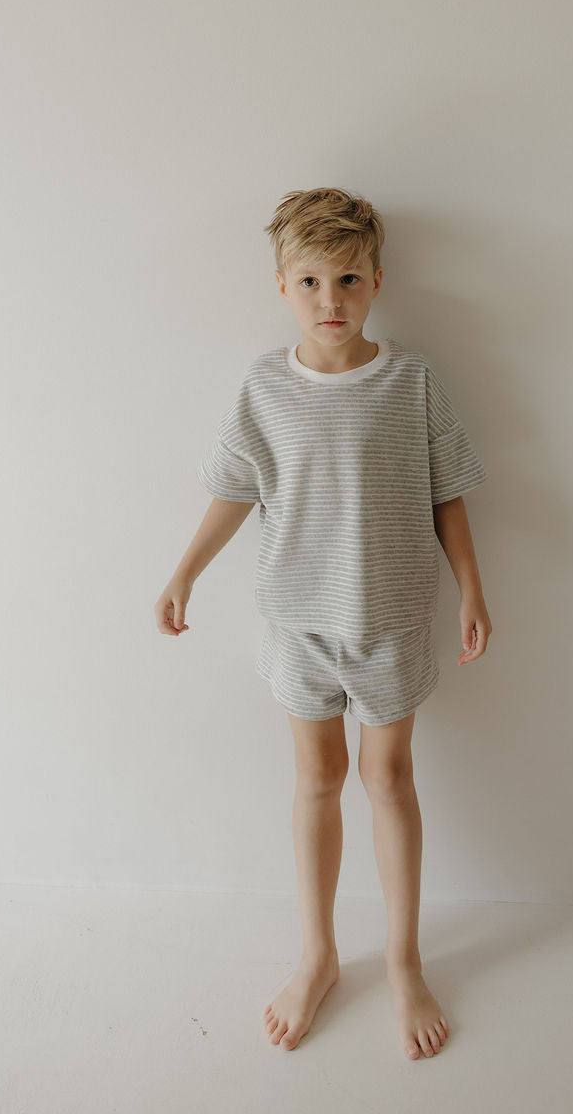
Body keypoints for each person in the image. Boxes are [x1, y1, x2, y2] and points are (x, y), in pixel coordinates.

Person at [153, 186, 492, 1060]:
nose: (330, 301)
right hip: (297, 625)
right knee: (315, 780)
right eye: (309, 282)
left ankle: (406, 959)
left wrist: (473, 590)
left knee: (389, 781)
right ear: (281, 287)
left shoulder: (410, 382)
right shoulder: (264, 387)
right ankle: (318, 953)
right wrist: (184, 571)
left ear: (377, 279)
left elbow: (446, 493)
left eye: (347, 279)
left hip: (390, 624)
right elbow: (234, 490)